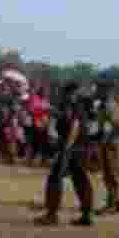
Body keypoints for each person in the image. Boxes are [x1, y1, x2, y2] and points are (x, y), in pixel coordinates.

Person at [37, 82, 95, 227]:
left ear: (69, 93)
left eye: (64, 93)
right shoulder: (78, 105)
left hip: (71, 147)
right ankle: (87, 215)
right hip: (81, 147)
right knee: (81, 179)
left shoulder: (72, 105)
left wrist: (66, 148)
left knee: (55, 178)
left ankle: (51, 215)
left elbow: (74, 125)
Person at [96, 82, 119, 215]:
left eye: (99, 88)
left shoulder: (110, 105)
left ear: (106, 90)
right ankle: (118, 202)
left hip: (112, 143)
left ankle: (111, 205)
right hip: (112, 142)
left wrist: (106, 134)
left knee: (111, 175)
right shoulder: (106, 105)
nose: (97, 91)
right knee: (112, 175)